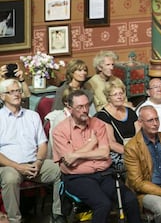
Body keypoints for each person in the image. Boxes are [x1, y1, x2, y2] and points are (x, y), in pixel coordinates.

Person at [52, 89, 141, 223]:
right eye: (80, 107)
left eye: (87, 105)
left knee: (130, 199)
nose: (85, 110)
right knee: (103, 204)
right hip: (77, 178)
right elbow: (70, 162)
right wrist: (92, 144)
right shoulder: (60, 130)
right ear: (70, 108)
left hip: (104, 174)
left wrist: (76, 154)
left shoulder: (98, 124)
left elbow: (104, 152)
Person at [0, 78, 64, 223]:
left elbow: (42, 143)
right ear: (2, 96)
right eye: (12, 92)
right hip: (9, 166)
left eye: (18, 91)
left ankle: (57, 214)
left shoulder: (32, 116)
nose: (17, 94)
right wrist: (18, 167)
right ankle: (14, 219)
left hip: (34, 163)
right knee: (10, 178)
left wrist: (39, 161)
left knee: (60, 169)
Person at [95, 79, 141, 170]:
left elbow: (140, 135)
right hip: (118, 154)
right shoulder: (103, 116)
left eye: (121, 93)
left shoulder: (131, 112)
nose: (119, 97)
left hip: (136, 150)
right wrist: (131, 153)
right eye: (115, 94)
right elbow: (111, 144)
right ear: (108, 97)